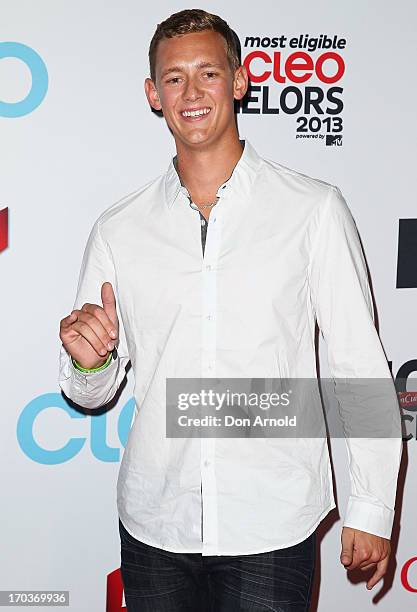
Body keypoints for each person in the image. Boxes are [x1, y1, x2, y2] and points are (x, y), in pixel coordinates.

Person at [58, 8, 403, 611]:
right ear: (152, 94)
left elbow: (358, 361)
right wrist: (89, 365)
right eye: (173, 78)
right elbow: (92, 391)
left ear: (239, 81)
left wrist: (372, 505)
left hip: (272, 522)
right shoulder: (119, 228)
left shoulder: (312, 209)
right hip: (155, 523)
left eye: (208, 73)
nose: (191, 93)